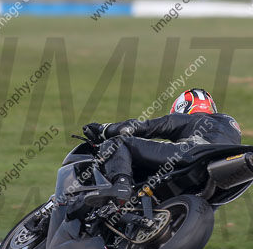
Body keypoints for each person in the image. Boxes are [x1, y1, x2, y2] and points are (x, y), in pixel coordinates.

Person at [82, 88, 242, 205]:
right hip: (227, 169)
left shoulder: (190, 119)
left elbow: (139, 128)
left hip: (194, 154)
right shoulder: (229, 123)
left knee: (118, 143)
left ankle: (121, 186)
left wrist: (103, 130)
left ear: (182, 108)